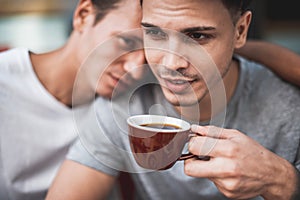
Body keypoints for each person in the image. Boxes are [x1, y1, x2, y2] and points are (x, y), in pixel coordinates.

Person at [45, 0, 300, 200]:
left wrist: (282, 182)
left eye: (198, 36)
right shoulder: (125, 102)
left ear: (241, 30)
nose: (170, 63)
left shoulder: (290, 110)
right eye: (155, 33)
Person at [0, 0, 146, 199]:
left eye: (149, 57)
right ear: (83, 16)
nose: (135, 70)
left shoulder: (132, 108)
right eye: (127, 42)